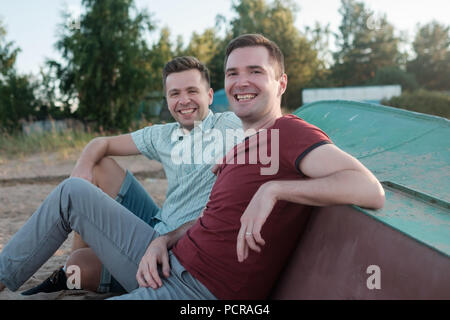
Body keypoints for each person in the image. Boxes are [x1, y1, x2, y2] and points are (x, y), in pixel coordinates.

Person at [0, 34, 385, 299]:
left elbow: (369, 188)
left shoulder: (288, 132)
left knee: (80, 265)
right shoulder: (242, 145)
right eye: (233, 73)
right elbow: (214, 218)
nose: (241, 81)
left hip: (195, 290)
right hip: (172, 257)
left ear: (281, 83)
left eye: (256, 72)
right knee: (73, 193)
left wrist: (275, 189)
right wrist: (165, 239)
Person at [18, 56, 242, 296]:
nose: (184, 100)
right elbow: (101, 143)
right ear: (167, 100)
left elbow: (268, 127)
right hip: (155, 226)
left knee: (78, 268)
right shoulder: (162, 135)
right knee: (98, 166)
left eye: (192, 91)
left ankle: (74, 269)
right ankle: (70, 262)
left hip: (179, 248)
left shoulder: (229, 125)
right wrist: (82, 167)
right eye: (174, 93)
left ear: (209, 95)